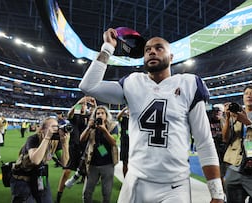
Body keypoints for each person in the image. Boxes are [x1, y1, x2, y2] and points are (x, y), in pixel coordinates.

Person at [79, 28, 224, 203]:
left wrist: (216, 193)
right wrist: (108, 47)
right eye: (147, 50)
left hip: (174, 186)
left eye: (159, 48)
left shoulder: (189, 84)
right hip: (135, 182)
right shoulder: (133, 82)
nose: (152, 51)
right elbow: (88, 86)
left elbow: (204, 141)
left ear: (171, 57)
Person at [10, 117, 70, 203]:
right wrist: (47, 138)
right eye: (53, 127)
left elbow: (65, 163)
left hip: (40, 177)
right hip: (23, 179)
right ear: (42, 129)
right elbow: (36, 160)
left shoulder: (55, 142)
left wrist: (65, 144)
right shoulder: (33, 139)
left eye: (57, 126)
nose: (56, 129)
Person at [56, 96, 96, 203]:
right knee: (66, 172)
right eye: (81, 105)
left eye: (85, 105)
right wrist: (79, 102)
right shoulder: (74, 117)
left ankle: (86, 198)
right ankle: (58, 197)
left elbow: (97, 114)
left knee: (88, 174)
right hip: (73, 147)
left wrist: (95, 104)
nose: (83, 106)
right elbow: (70, 113)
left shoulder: (89, 117)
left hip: (85, 148)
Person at [79, 105, 119, 203]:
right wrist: (88, 127)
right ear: (95, 115)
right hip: (93, 164)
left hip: (108, 164)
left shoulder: (113, 126)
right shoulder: (92, 126)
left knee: (106, 193)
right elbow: (82, 139)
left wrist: (104, 130)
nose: (100, 115)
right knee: (87, 193)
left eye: (102, 113)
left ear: (106, 115)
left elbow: (113, 142)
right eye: (97, 113)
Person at [209, 104, 228, 187]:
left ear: (222, 113)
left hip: (226, 150)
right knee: (219, 175)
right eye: (215, 111)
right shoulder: (207, 122)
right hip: (214, 150)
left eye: (218, 111)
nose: (217, 113)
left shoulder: (226, 122)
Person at [116, 106, 130, 177]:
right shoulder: (124, 119)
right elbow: (118, 117)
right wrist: (124, 109)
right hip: (124, 143)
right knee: (125, 162)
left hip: (133, 144)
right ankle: (125, 180)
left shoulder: (136, 120)